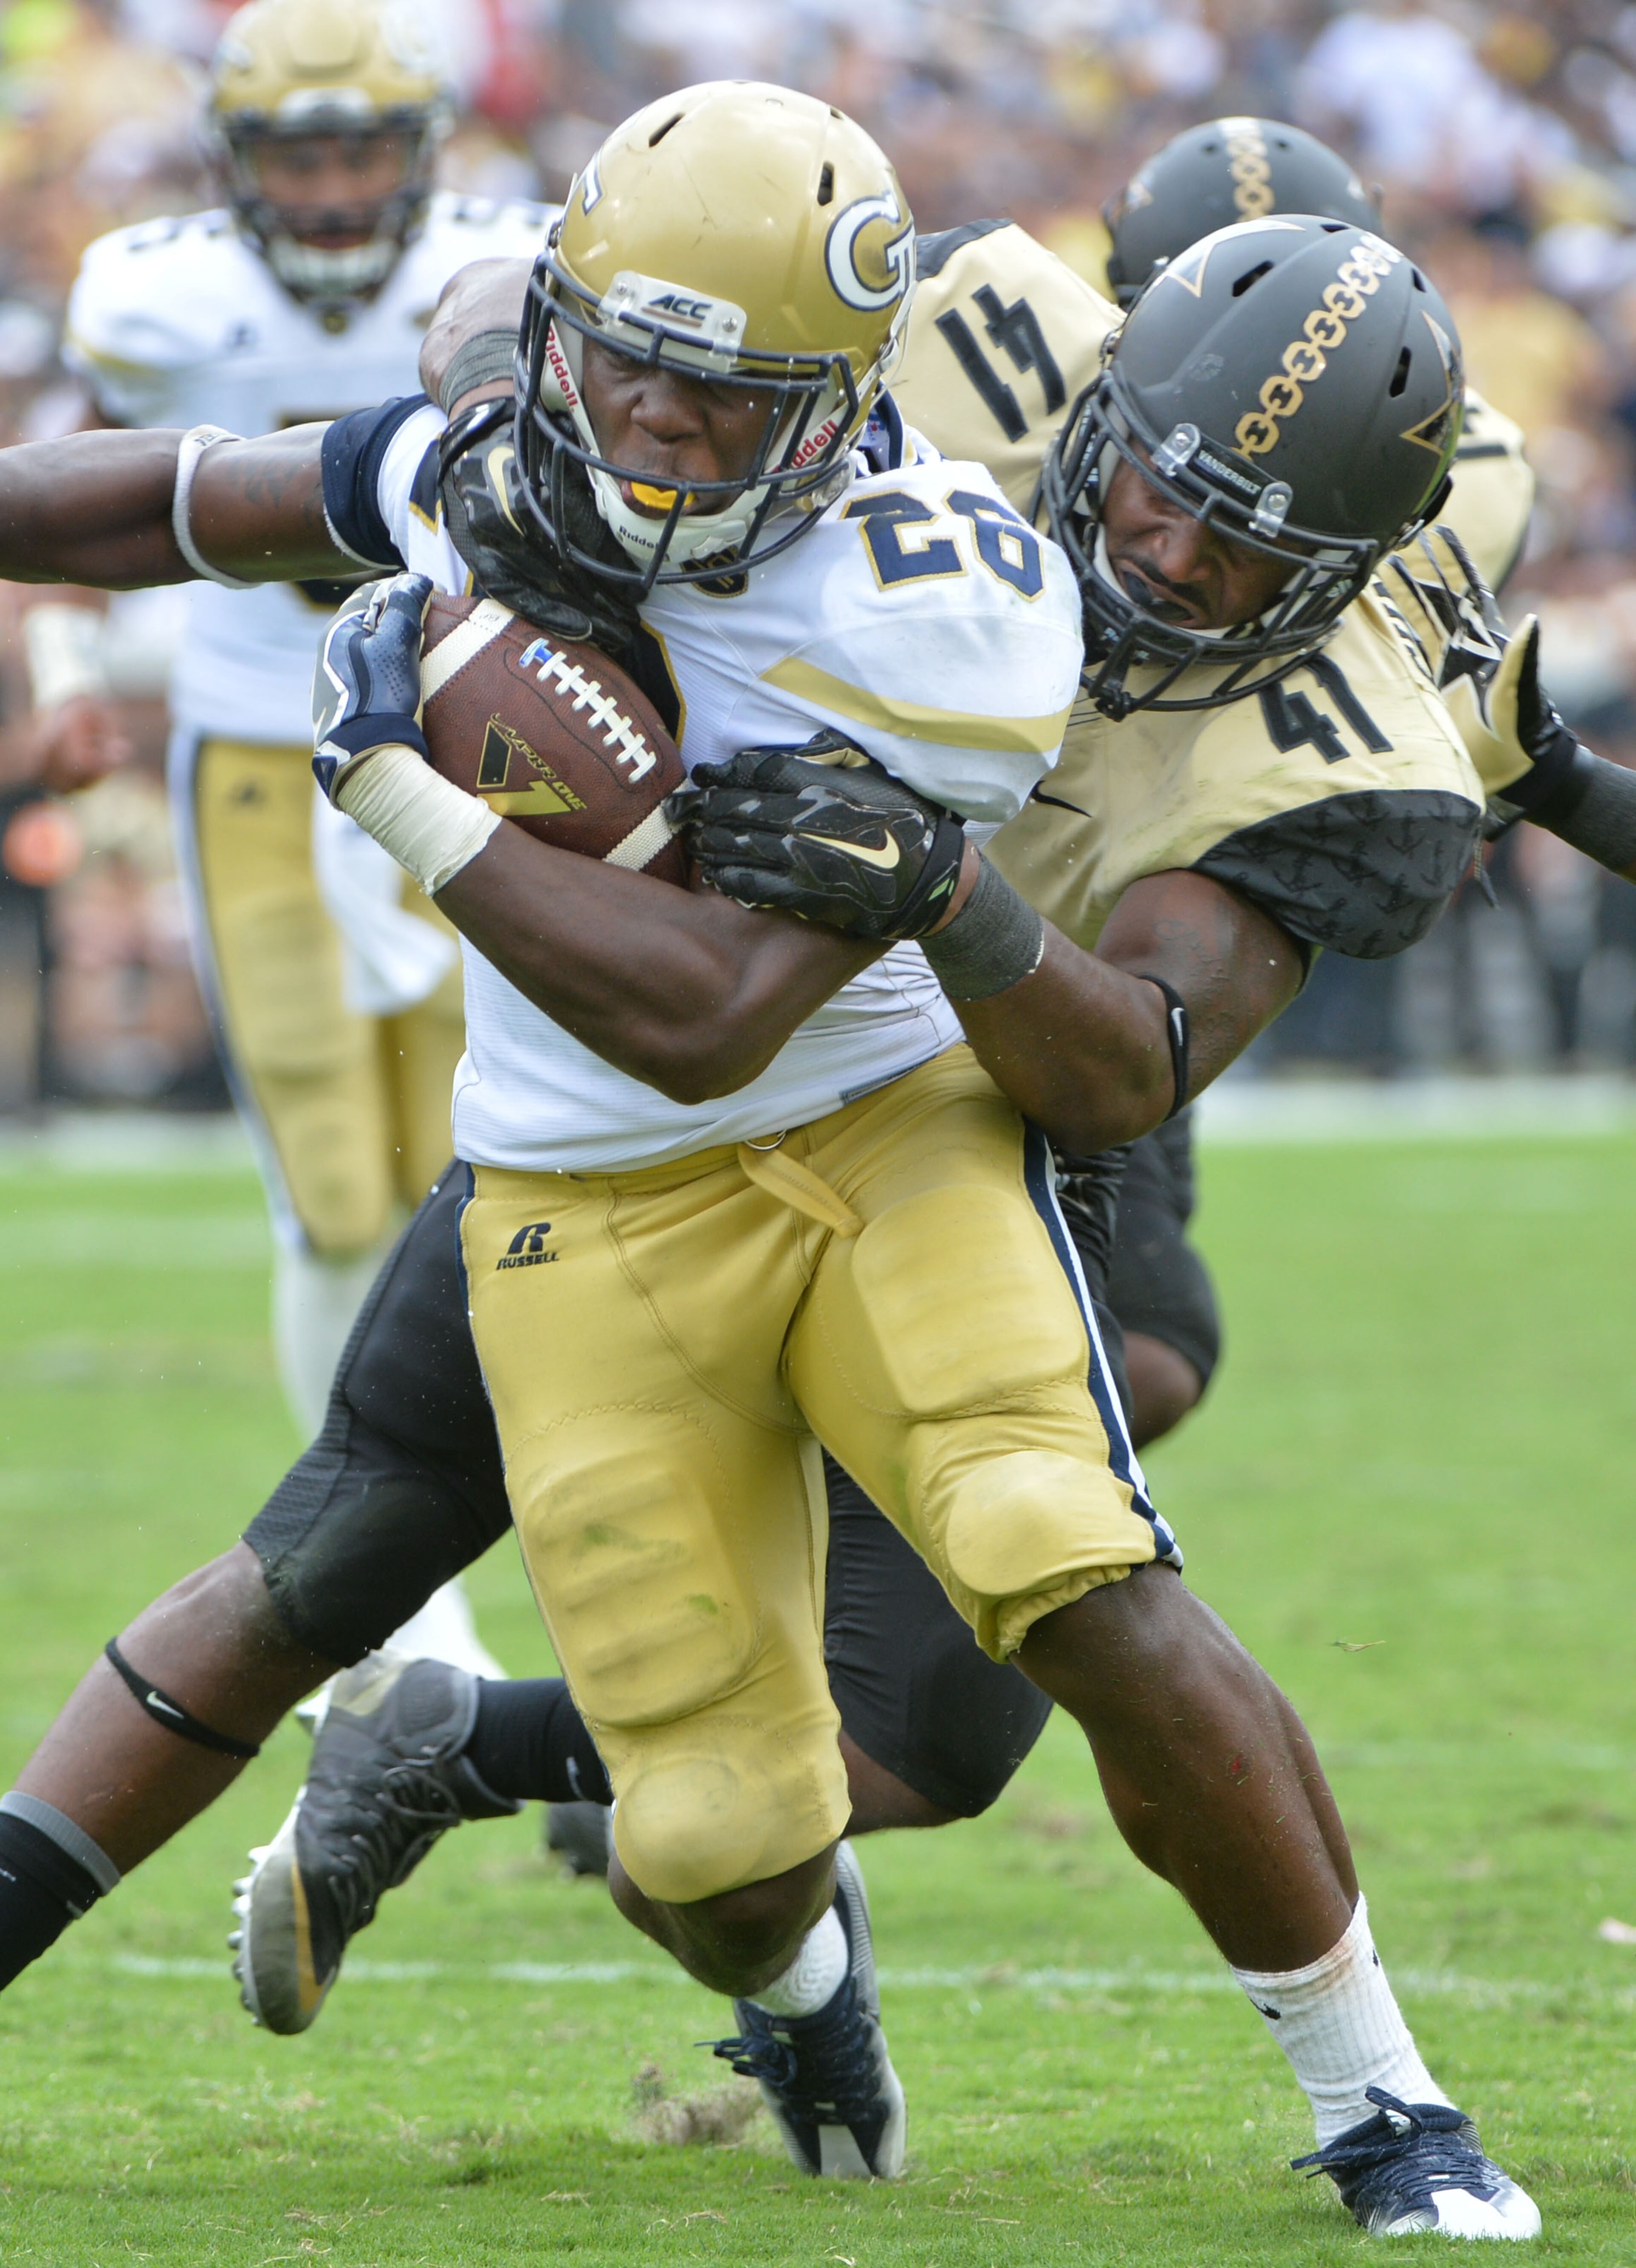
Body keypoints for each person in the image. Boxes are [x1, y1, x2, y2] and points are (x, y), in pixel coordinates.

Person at [0, 140, 1567, 2233]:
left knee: (1058, 1544)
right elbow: (224, 485)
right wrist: (480, 375)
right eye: (1156, 478)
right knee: (674, 1810)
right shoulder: (791, 380)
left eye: (1245, 541)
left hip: (932, 1094)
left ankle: (1384, 2101)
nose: (1167, 552)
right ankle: (764, 1944)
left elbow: (1054, 1059)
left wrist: (910, 881)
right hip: (579, 1180)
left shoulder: (1016, 622)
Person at [28, 0, 543, 1485]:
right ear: (239, 160)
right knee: (325, 1173)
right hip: (259, 741)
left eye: (361, 148)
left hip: (468, 739)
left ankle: (473, 1483)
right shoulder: (161, 299)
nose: (328, 190)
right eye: (297, 154)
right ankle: (374, 1538)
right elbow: (79, 493)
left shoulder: (502, 267)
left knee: (481, 1138)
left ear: (426, 146)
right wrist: (66, 667)